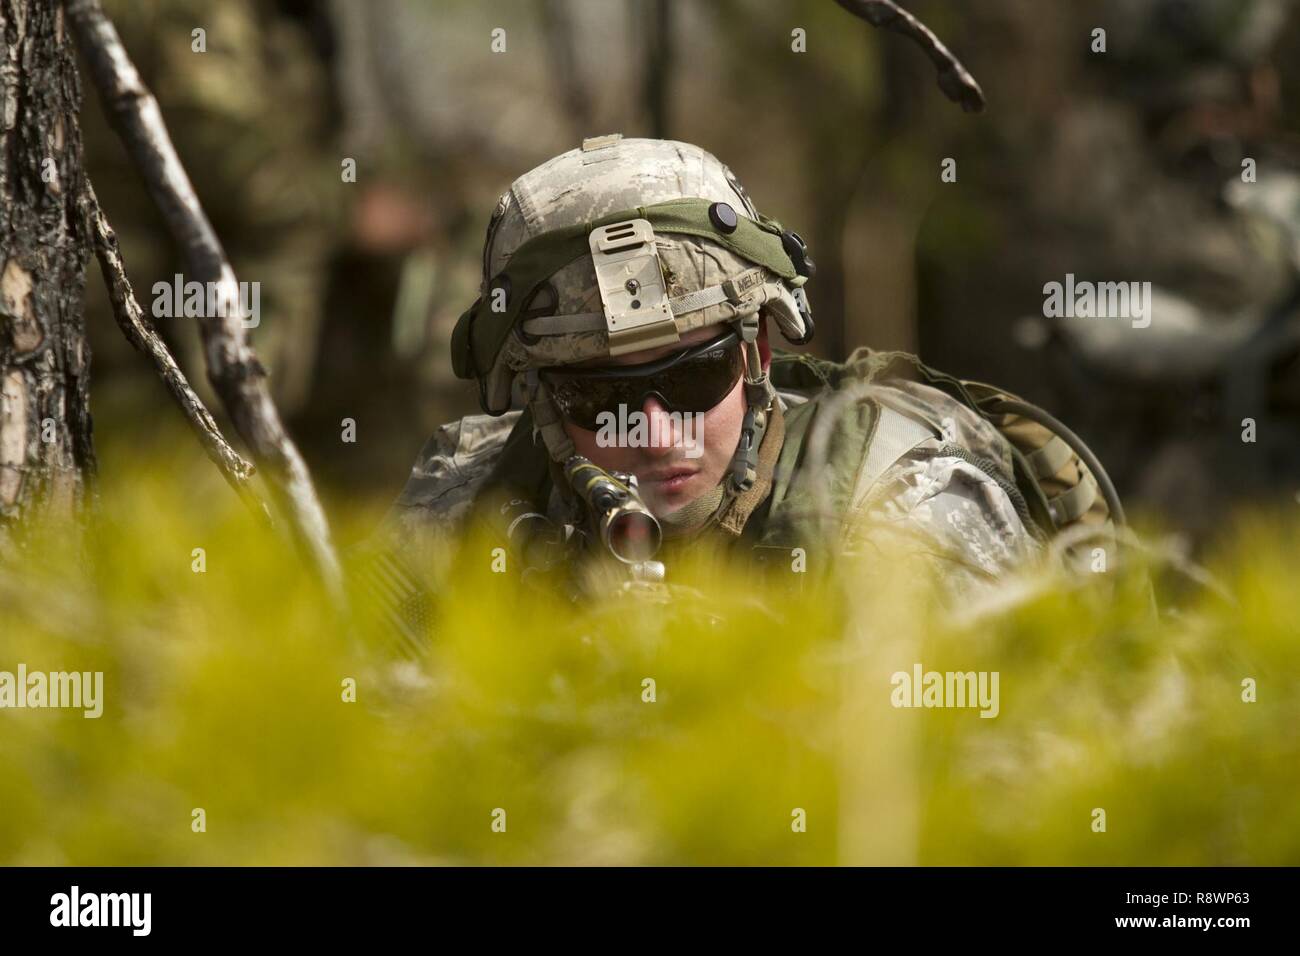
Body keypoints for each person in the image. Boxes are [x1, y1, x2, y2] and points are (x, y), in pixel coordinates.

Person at [368, 135, 1120, 648]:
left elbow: (984, 781)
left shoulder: (899, 505)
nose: (655, 434)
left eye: (693, 377)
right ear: (539, 396)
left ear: (757, 351)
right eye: (597, 395)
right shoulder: (469, 503)